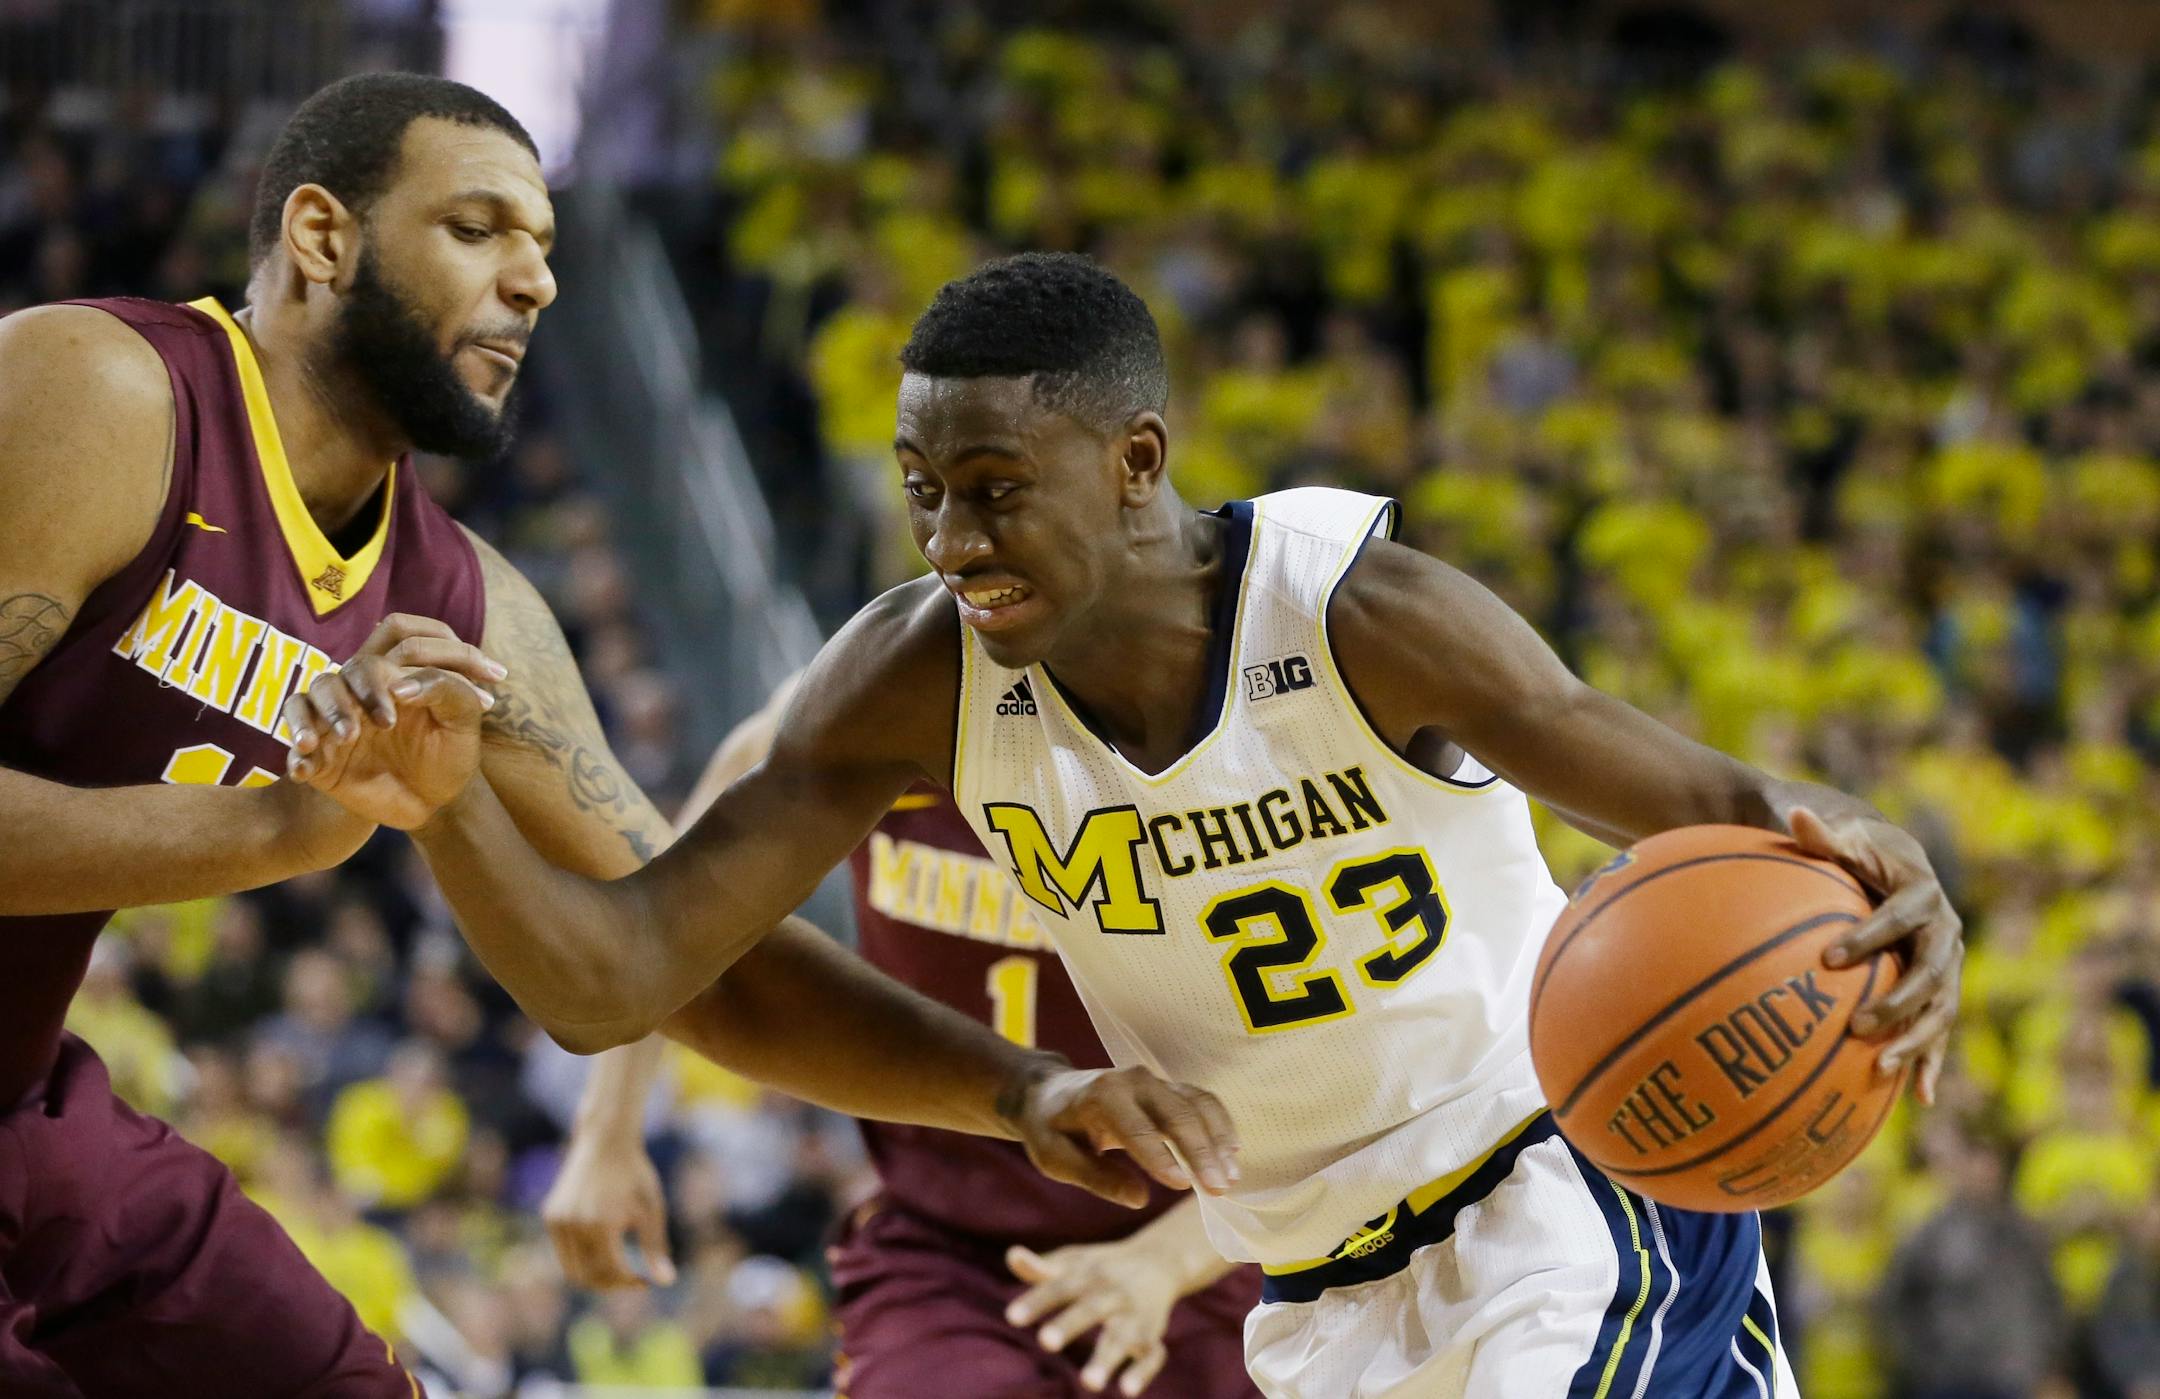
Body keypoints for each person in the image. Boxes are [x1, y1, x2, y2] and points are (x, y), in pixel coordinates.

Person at [290, 252, 1965, 1397]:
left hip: (1559, 1193)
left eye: (997, 484)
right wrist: (453, 817)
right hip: (1320, 1297)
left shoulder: (1362, 611)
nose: (948, 534)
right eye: (920, 484)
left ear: (1136, 459)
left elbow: (1734, 812)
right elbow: (642, 969)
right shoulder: (909, 678)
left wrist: (1892, 883)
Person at [0, 77, 1222, 1395]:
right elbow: (286, 822)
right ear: (320, 235)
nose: (534, 282)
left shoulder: (466, 610)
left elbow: (685, 956)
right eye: (479, 228)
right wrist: (277, 826)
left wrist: (1022, 1093)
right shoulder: (104, 390)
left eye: (545, 248)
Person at [544, 677, 1260, 1398]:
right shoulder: (878, 696)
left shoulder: (1212, 748)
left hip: (1204, 1236)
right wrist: (607, 1129)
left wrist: (1165, 1262)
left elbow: (1345, 1089)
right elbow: (669, 916)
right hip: (946, 1240)